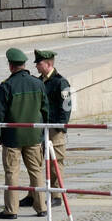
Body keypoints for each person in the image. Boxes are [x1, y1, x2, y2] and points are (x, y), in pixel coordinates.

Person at [0, 47, 50, 219]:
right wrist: (43, 131)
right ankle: (41, 207)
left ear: (10, 66)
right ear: (24, 64)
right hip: (33, 136)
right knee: (36, 171)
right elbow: (45, 110)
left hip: (12, 137)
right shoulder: (38, 83)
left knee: (12, 173)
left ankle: (11, 210)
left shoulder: (5, 86)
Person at [20, 49, 71, 208]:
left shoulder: (60, 82)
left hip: (54, 128)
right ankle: (34, 194)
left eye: (39, 64)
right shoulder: (38, 81)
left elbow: (66, 107)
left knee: (55, 162)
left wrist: (59, 128)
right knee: (34, 162)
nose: (36, 66)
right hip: (39, 128)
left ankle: (56, 195)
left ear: (48, 64)